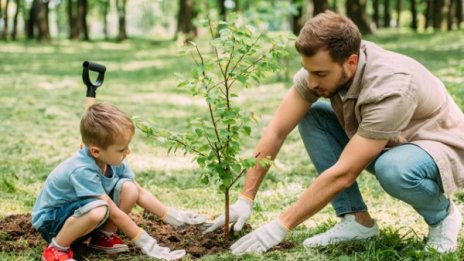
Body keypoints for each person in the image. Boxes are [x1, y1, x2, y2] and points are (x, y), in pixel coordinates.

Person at [203, 11, 464, 255]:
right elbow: (276, 130)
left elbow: (344, 173)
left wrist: (280, 226)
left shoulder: (391, 86)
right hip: (387, 140)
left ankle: (444, 216)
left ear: (351, 62)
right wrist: (245, 198)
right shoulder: (321, 69)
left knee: (393, 168)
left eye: (320, 73)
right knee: (312, 114)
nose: (312, 81)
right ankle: (357, 221)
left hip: (436, 146)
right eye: (308, 70)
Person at [32, 102, 207, 261]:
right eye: (122, 149)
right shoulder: (82, 170)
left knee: (129, 188)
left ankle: (103, 236)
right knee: (99, 209)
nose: (128, 152)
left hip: (78, 216)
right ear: (95, 151)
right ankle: (56, 249)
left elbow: (140, 192)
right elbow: (113, 212)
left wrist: (172, 216)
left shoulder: (112, 161)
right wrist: (147, 243)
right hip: (52, 222)